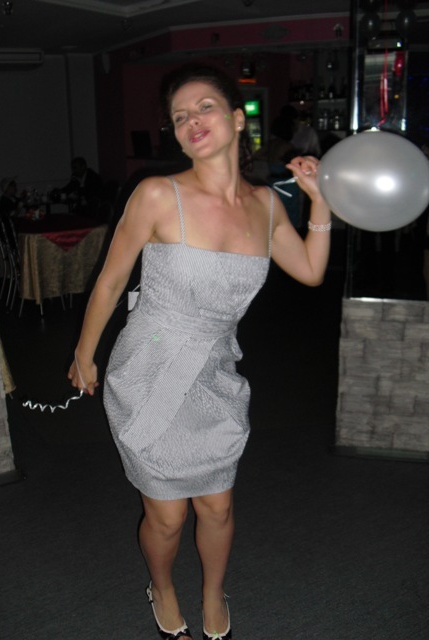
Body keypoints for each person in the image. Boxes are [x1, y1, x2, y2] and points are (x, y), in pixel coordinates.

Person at [68, 64, 331, 640]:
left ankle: (213, 593)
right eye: (180, 116)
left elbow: (312, 270)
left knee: (217, 507)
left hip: (214, 371)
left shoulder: (265, 205)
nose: (192, 120)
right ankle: (162, 587)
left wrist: (318, 202)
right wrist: (85, 354)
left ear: (237, 119)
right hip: (150, 368)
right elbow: (111, 281)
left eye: (204, 107)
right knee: (167, 515)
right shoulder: (158, 194)